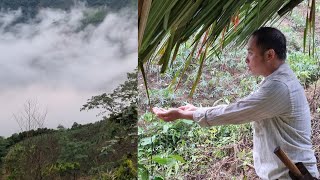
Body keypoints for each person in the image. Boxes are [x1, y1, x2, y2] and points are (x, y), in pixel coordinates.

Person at [152, 27, 319, 179]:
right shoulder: (277, 81)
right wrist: (197, 110)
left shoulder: (279, 87)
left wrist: (185, 114)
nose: (246, 59)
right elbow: (241, 107)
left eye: (251, 53)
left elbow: (235, 112)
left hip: (295, 175)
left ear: (269, 55)